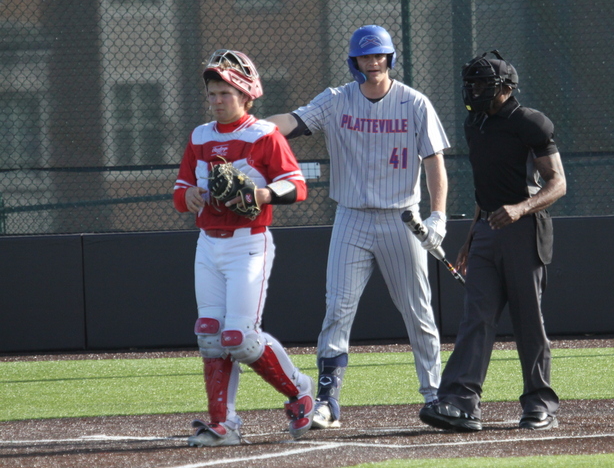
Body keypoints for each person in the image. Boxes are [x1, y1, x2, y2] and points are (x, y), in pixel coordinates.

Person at [266, 25, 450, 429]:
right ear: (355, 61)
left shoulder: (415, 103)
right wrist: (254, 127)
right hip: (351, 216)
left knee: (418, 312)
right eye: (366, 57)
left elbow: (435, 162)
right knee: (338, 309)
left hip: (402, 217)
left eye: (380, 55)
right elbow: (294, 122)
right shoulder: (336, 101)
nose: (374, 62)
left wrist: (438, 216)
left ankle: (435, 394)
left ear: (390, 58)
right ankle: (328, 400)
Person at [419, 50, 567, 432]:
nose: (474, 90)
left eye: (483, 83)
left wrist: (520, 209)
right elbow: (485, 190)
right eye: (470, 83)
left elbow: (558, 183)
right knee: (476, 318)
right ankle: (459, 402)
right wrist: (471, 237)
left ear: (506, 88)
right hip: (486, 231)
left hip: (524, 231)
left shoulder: (530, 123)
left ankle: (540, 403)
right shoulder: (475, 124)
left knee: (527, 321)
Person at [173, 49, 314, 446]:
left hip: (248, 244)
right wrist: (191, 199)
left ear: (246, 95)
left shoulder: (263, 134)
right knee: (210, 334)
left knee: (240, 337)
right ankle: (224, 423)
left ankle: (299, 391)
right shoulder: (200, 136)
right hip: (208, 244)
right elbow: (180, 190)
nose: (218, 100)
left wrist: (264, 193)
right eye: (213, 93)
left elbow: (296, 184)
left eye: (226, 93)